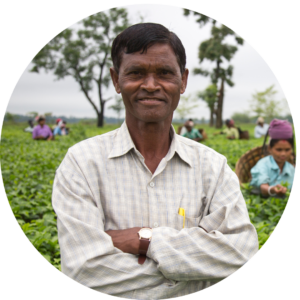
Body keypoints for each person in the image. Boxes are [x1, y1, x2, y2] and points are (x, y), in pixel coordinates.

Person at [52, 23, 258, 299]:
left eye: (164, 73)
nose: (150, 85)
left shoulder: (213, 167)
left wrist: (145, 240)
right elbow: (84, 272)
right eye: (136, 73)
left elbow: (242, 253)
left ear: (183, 80)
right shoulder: (82, 163)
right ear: (116, 79)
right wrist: (200, 278)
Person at [250, 119, 296, 197]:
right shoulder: (263, 164)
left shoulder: (291, 169)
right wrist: (272, 190)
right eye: (279, 150)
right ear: (269, 149)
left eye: (287, 150)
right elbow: (263, 187)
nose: (283, 154)